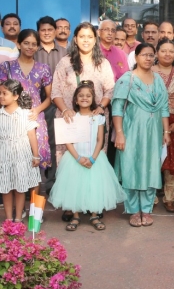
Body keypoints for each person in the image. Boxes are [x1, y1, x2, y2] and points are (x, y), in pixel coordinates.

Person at [51, 22, 115, 221]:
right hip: (70, 119)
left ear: (95, 39)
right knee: (70, 161)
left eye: (89, 36)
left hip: (94, 119)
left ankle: (93, 202)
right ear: (75, 39)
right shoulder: (65, 63)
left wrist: (101, 107)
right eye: (82, 36)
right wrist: (66, 110)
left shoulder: (102, 63)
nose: (86, 40)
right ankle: (71, 204)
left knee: (93, 160)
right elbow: (56, 92)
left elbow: (110, 90)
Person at [49, 81, 126, 231]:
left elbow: (100, 140)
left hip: (94, 157)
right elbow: (68, 141)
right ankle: (76, 215)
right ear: (76, 100)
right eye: (81, 96)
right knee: (75, 185)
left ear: (93, 99)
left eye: (88, 96)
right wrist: (78, 158)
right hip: (74, 158)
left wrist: (93, 158)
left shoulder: (98, 118)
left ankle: (94, 215)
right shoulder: (71, 118)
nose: (85, 98)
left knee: (94, 186)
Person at [112, 43, 170, 228]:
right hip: (131, 130)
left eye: (151, 55)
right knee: (131, 167)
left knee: (150, 167)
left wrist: (166, 131)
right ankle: (133, 210)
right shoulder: (127, 79)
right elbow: (117, 107)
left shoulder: (158, 80)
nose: (148, 58)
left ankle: (146, 209)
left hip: (154, 132)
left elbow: (164, 107)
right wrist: (119, 133)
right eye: (143, 55)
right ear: (135, 57)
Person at [0, 29, 52, 170]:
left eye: (34, 44)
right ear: (18, 44)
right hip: (12, 118)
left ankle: (37, 192)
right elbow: (2, 93)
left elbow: (49, 97)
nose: (30, 47)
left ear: (37, 47)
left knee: (37, 156)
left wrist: (37, 110)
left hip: (34, 116)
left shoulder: (43, 68)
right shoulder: (7, 67)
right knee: (13, 158)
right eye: (26, 43)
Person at [35, 16, 69, 195]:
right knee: (40, 144)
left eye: (50, 29)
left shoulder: (66, 52)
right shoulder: (33, 51)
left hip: (61, 106)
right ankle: (40, 183)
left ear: (55, 31)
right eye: (43, 30)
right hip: (38, 106)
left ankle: (56, 183)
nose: (47, 33)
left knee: (58, 145)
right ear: (38, 32)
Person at [0, 79, 40, 222]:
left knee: (20, 187)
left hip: (21, 157)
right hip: (4, 157)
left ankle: (18, 219)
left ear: (16, 96)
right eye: (0, 93)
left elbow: (32, 136)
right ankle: (9, 219)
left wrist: (36, 156)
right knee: (6, 188)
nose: (1, 96)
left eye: (4, 93)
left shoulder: (25, 114)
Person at [152, 39, 174, 213]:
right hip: (150, 121)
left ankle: (170, 197)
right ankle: (150, 197)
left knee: (173, 160)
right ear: (157, 53)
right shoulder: (147, 72)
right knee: (152, 159)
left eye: (171, 51)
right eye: (163, 51)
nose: (167, 54)